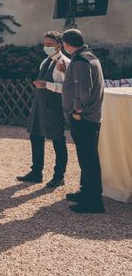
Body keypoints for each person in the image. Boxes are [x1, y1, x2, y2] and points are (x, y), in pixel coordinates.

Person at [61, 29, 106, 214]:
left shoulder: (79, 60)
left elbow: (83, 90)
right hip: (92, 116)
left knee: (88, 159)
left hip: (84, 117)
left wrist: (77, 111)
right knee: (87, 157)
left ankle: (94, 202)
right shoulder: (89, 56)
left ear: (66, 43)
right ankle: (86, 191)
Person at [17, 31, 70, 188]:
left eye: (49, 44)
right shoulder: (44, 62)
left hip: (54, 106)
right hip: (40, 104)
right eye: (44, 44)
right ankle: (36, 173)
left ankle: (59, 176)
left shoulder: (66, 63)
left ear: (59, 45)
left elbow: (68, 89)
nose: (46, 47)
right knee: (36, 137)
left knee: (58, 140)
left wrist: (47, 85)